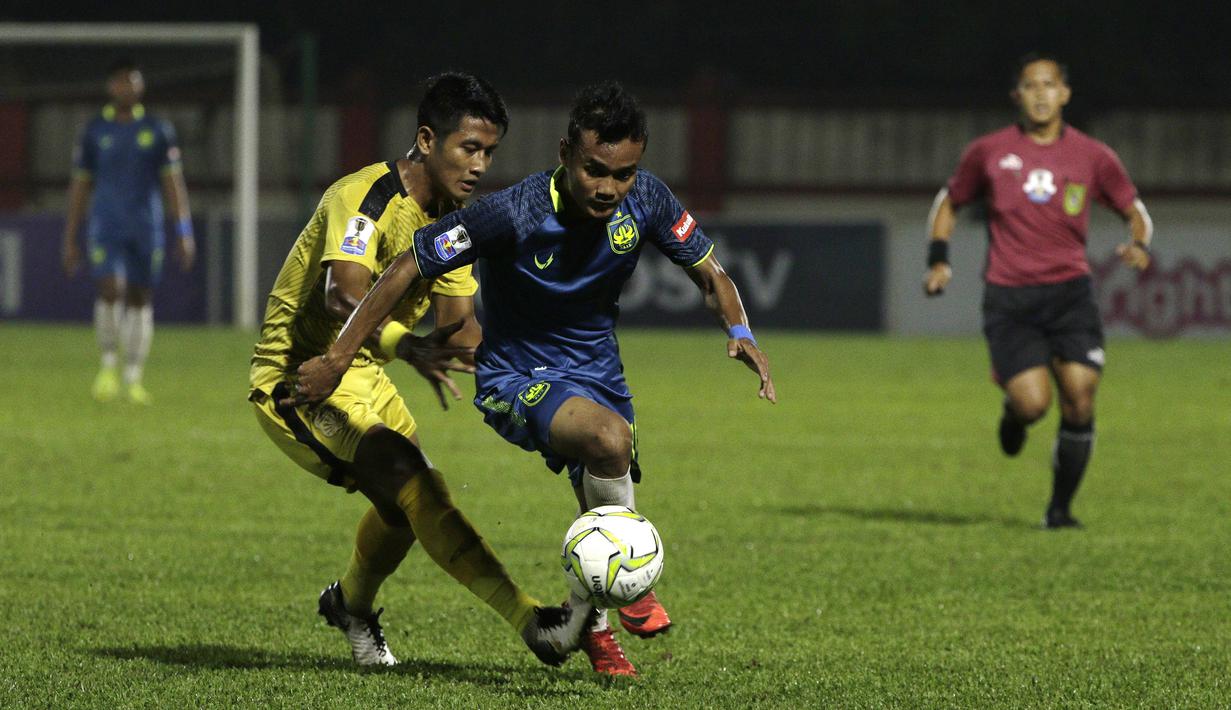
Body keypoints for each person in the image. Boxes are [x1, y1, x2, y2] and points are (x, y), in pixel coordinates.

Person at [284, 81, 777, 676]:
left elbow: (710, 272)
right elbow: (407, 262)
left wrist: (741, 331)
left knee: (589, 481)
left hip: (598, 370)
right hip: (517, 374)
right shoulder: (510, 212)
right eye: (595, 169)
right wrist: (340, 359)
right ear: (566, 151)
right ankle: (622, 590)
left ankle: (586, 621)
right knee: (605, 440)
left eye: (622, 174)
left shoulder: (646, 199)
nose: (608, 188)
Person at [248, 72, 591, 669]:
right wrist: (409, 348)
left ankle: (349, 605)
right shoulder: (366, 197)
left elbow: (463, 330)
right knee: (415, 483)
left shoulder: (452, 221)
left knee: (402, 511)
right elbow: (341, 294)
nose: (481, 165)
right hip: (301, 379)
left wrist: (543, 379)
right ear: (427, 140)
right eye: (469, 148)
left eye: (490, 152)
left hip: (367, 378)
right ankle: (533, 621)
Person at [923, 53, 1153, 529]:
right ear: (1018, 96)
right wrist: (938, 260)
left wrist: (1139, 242)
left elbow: (1135, 210)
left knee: (1081, 397)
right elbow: (949, 202)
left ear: (1065, 93)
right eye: (1031, 85)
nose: (1042, 93)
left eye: (1050, 84)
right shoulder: (988, 152)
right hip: (1010, 297)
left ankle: (1059, 510)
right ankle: (1014, 414)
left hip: (1070, 294)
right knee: (1034, 404)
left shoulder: (1093, 156)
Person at [62, 58, 196, 404]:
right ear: (111, 87)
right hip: (105, 225)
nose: (127, 88)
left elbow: (172, 183)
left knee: (139, 298)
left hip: (146, 227)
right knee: (110, 289)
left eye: (132, 82)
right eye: (121, 82)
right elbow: (80, 186)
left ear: (141, 87)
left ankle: (133, 376)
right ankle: (108, 364)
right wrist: (70, 236)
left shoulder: (158, 129)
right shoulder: (94, 131)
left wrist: (183, 229)